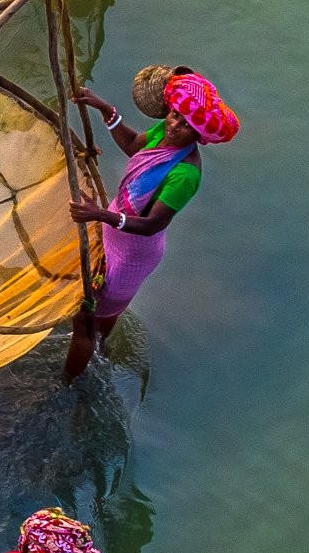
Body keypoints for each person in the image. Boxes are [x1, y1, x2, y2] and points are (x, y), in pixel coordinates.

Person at [66, 65, 238, 376]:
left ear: (199, 136)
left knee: (83, 320)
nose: (175, 126)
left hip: (133, 252)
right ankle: (101, 349)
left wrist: (99, 214)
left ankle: (66, 384)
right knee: (103, 313)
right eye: (174, 116)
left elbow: (152, 225)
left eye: (186, 126)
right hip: (115, 226)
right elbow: (133, 144)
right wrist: (106, 109)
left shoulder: (185, 173)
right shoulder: (163, 132)